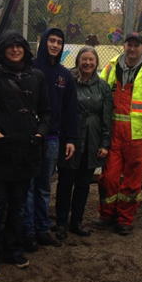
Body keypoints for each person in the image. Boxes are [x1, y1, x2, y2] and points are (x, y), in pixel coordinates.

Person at [0, 30, 51, 278]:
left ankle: (14, 249)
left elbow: (47, 111)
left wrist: (40, 133)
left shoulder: (37, 76)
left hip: (27, 151)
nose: (15, 49)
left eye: (19, 46)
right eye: (11, 46)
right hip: (1, 151)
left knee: (19, 205)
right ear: (4, 50)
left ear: (25, 49)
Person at [96, 32, 142, 235]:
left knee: (132, 180)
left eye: (136, 45)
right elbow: (99, 91)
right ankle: (106, 215)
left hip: (139, 136)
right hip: (113, 134)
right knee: (109, 178)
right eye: (129, 44)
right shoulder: (111, 67)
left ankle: (125, 219)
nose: (132, 49)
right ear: (124, 46)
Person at [22, 27, 78, 251]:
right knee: (28, 185)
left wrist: (71, 138)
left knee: (44, 186)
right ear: (44, 42)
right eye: (51, 41)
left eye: (59, 42)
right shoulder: (30, 69)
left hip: (53, 139)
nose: (55, 45)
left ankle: (42, 228)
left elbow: (70, 110)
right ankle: (26, 230)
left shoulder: (65, 76)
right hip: (29, 137)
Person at [54, 46, 113, 240]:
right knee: (65, 182)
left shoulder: (103, 86)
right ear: (78, 61)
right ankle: (61, 222)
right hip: (71, 138)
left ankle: (76, 222)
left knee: (83, 184)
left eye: (91, 60)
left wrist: (105, 143)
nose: (87, 63)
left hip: (92, 139)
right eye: (84, 59)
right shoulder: (68, 81)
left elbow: (107, 118)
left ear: (96, 63)